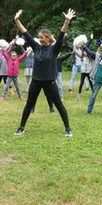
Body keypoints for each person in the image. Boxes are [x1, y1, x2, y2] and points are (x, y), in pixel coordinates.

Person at [13, 9, 75, 137]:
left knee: (59, 105)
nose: (39, 39)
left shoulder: (54, 49)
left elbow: (61, 34)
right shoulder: (36, 47)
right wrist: (17, 20)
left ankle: (68, 129)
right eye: (39, 37)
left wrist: (67, 21)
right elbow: (25, 32)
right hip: (36, 81)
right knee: (29, 104)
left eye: (41, 37)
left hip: (50, 82)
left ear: (47, 38)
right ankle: (21, 127)